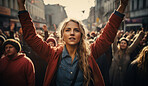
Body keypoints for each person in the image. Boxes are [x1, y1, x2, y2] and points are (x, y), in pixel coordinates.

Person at [17, 0, 129, 86]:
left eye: (76, 30)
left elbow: (107, 36)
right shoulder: (53, 54)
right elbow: (31, 37)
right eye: (67, 30)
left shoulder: (90, 53)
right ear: (62, 35)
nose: (72, 33)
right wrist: (21, 7)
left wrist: (122, 7)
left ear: (81, 35)